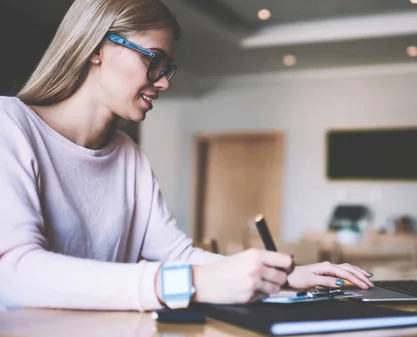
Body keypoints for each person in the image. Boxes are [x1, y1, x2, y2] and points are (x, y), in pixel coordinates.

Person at [0, 0, 373, 312]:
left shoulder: (129, 156)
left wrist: (283, 275)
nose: (164, 82)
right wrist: (187, 283)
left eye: (168, 68)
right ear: (97, 48)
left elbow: (175, 253)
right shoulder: (9, 126)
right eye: (155, 60)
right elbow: (13, 275)